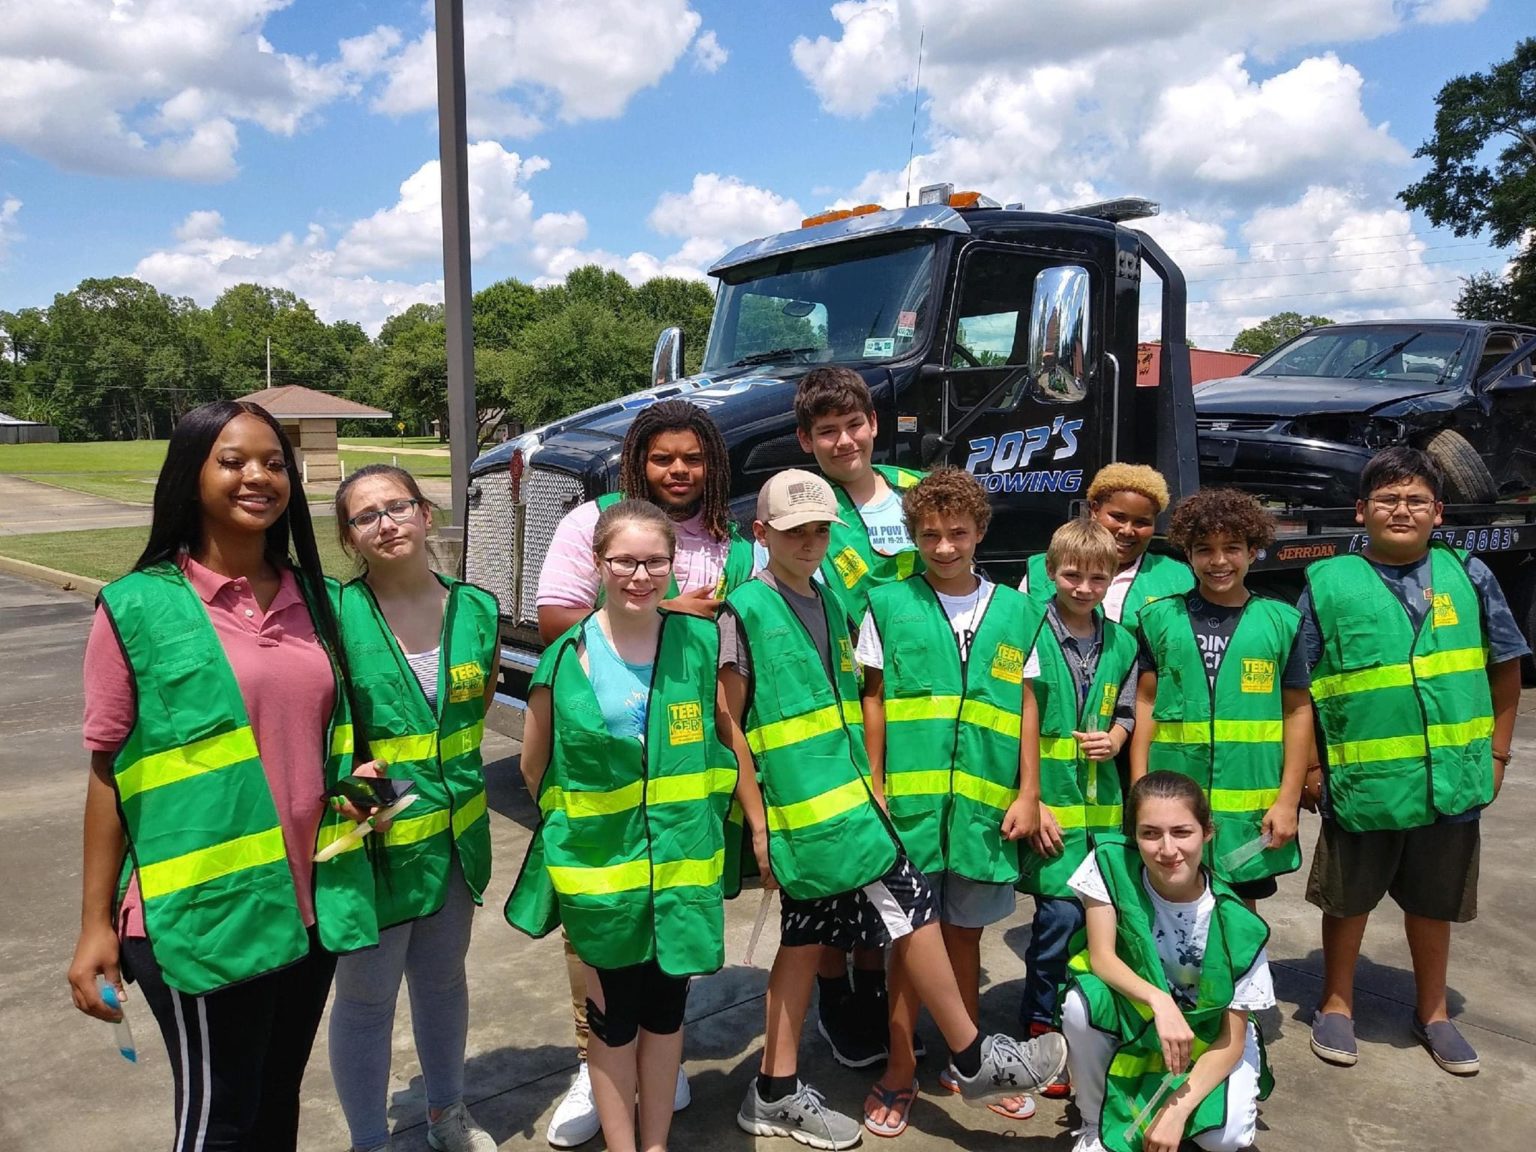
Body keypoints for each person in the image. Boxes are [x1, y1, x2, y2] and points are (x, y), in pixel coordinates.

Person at [719, 469, 1067, 1149]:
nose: (809, 542)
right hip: (806, 815)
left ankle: (775, 1089)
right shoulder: (746, 609)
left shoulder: (825, 599)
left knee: (803, 941)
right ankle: (974, 1058)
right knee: (911, 905)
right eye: (793, 532)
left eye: (820, 530)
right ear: (761, 534)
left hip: (843, 807)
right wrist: (757, 823)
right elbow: (727, 723)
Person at [66, 400, 379, 1152]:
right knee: (220, 1123)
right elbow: (108, 774)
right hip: (201, 910)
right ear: (191, 474)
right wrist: (93, 926)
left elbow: (341, 737)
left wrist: (364, 793)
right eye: (233, 461)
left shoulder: (321, 601)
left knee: (274, 1107)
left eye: (274, 463)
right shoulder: (138, 606)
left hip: (309, 906)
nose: (258, 477)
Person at [536, 399, 748, 1144]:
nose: (679, 470)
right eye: (663, 457)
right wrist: (670, 610)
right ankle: (592, 1072)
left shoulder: (727, 539)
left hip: (680, 827)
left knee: (664, 994)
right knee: (603, 982)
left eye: (693, 457)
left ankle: (652, 1090)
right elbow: (554, 624)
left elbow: (725, 702)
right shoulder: (589, 525)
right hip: (604, 834)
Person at [1299, 446, 1525, 1075]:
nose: (1402, 510)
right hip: (1363, 780)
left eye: (1416, 500)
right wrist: (1312, 769)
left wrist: (1498, 755)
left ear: (1438, 512)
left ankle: (1434, 1013)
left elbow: (1505, 667)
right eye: (1388, 499)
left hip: (1452, 778)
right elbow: (1300, 689)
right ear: (1361, 511)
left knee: (1434, 901)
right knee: (1348, 899)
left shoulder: (1470, 575)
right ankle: (1336, 1003)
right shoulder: (1326, 583)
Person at [857, 468, 1046, 1134]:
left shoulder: (1018, 611)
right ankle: (900, 1067)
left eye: (957, 533)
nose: (944, 547)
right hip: (908, 812)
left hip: (984, 813)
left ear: (979, 532)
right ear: (913, 535)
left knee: (965, 935)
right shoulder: (888, 603)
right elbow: (874, 698)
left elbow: (1027, 703)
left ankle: (970, 1066)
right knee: (909, 941)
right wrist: (875, 783)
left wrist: (1029, 791)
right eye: (930, 535)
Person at [329, 465, 501, 1152]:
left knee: (442, 982)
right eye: (365, 516)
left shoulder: (477, 609)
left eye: (397, 506)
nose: (386, 523)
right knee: (366, 999)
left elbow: (471, 717)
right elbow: (321, 729)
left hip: (454, 839)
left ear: (426, 514)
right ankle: (369, 1141)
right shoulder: (333, 615)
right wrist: (353, 793)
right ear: (350, 538)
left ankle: (446, 1114)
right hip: (370, 841)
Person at [793, 366, 926, 1064]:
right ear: (806, 440)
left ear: (874, 424)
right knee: (836, 851)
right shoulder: (804, 504)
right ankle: (832, 989)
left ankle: (873, 981)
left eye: (853, 425)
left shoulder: (917, 491)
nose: (843, 441)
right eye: (826, 431)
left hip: (919, 701)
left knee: (891, 851)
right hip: (841, 700)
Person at [1060, 771, 1276, 1152]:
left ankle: (1183, 1106)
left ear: (1207, 832)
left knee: (1224, 1139)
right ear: (1133, 835)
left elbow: (1231, 1039)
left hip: (1209, 1038)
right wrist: (1160, 1001)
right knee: (1080, 1006)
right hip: (1143, 1017)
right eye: (1150, 833)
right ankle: (1094, 1123)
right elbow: (1102, 958)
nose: (1167, 849)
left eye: (1181, 832)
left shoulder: (1237, 925)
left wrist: (1177, 1111)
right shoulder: (1109, 864)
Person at [1130, 488, 1310, 910]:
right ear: (1188, 554)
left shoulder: (1281, 622)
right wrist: (1139, 789)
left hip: (1249, 807)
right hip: (1172, 806)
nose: (1218, 561)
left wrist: (1288, 801)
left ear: (1253, 551)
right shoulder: (1159, 619)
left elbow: (1297, 711)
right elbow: (1145, 704)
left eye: (1232, 548)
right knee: (1167, 904)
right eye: (1204, 549)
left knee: (1238, 911)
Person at [1015, 518, 1141, 1107]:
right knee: (1056, 925)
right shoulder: (1028, 635)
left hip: (1104, 817)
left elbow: (1129, 711)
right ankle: (1040, 1031)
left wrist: (1116, 738)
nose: (1084, 588)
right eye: (1072, 575)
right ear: (1050, 572)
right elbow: (1010, 719)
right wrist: (1032, 799)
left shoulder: (1124, 643)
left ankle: (1084, 1026)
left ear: (1113, 578)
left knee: (1099, 930)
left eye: (1097, 578)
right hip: (1052, 813)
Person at [1019, 463, 1193, 636]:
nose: (1127, 530)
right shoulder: (1039, 571)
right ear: (1094, 510)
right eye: (1118, 517)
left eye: (1142, 522)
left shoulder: (1177, 577)